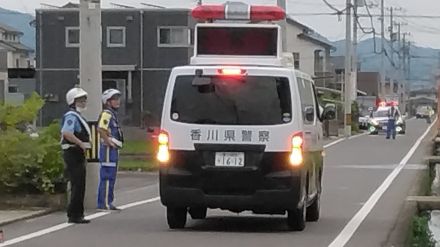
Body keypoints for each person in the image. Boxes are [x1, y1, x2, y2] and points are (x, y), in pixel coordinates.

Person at [61, 86, 91, 224]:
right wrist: (80, 143)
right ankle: (74, 214)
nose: (83, 103)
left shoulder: (77, 116)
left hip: (77, 153)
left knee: (80, 184)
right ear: (72, 102)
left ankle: (78, 213)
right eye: (80, 101)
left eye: (84, 100)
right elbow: (67, 132)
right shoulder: (71, 116)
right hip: (73, 152)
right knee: (77, 184)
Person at [97, 89, 124, 210]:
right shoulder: (107, 114)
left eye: (118, 98)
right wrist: (109, 142)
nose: (118, 101)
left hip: (113, 149)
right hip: (108, 150)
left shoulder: (111, 114)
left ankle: (108, 201)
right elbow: (101, 129)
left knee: (111, 175)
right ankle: (104, 203)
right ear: (108, 102)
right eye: (114, 99)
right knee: (107, 175)